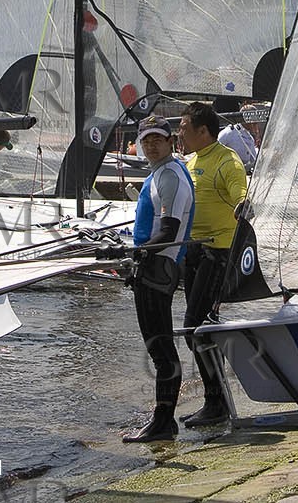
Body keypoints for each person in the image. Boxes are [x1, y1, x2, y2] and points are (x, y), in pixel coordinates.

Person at [124, 114, 194, 443]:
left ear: (170, 142)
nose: (150, 145)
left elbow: (168, 232)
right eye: (145, 140)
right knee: (158, 348)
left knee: (161, 349)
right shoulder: (158, 173)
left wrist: (139, 255)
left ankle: (163, 421)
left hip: (159, 267)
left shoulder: (169, 176)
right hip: (149, 266)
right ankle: (163, 419)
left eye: (157, 139)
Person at [178, 100, 248, 428]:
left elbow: (240, 192)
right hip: (192, 252)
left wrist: (243, 204)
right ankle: (215, 399)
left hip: (218, 254)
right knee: (198, 329)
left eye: (183, 128)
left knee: (196, 326)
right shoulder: (191, 161)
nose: (180, 133)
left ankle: (216, 402)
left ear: (203, 131)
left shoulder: (227, 160)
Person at [212, 95, 258, 171]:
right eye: (253, 121)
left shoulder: (250, 138)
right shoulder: (229, 133)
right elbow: (214, 151)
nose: (255, 123)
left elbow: (253, 159)